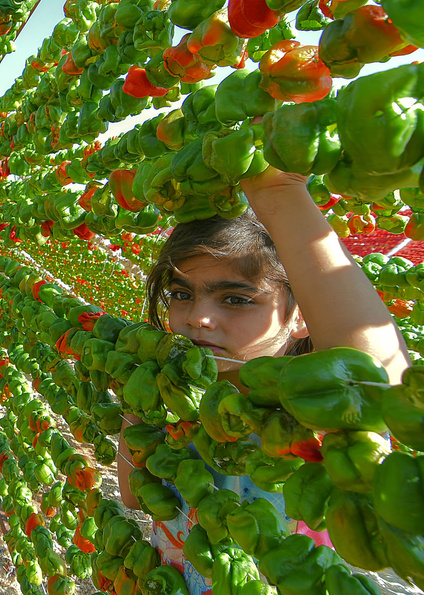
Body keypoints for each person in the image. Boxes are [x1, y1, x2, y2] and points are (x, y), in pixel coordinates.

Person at [116, 167, 412, 593]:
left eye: (236, 299)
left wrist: (280, 193)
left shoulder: (317, 414)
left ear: (301, 316)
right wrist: (140, 401)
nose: (198, 317)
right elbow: (132, 495)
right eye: (182, 294)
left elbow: (380, 376)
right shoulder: (175, 402)